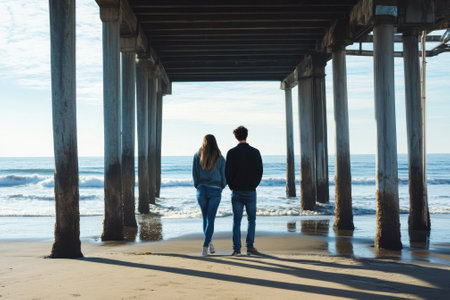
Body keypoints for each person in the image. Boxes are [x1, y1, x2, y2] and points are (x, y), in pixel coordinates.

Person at [225, 126, 263, 256]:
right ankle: (250, 247)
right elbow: (260, 172)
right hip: (251, 191)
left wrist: (231, 186)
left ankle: (236, 249)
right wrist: (254, 185)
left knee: (237, 221)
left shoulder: (231, 152)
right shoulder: (255, 152)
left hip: (237, 191)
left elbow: (227, 173)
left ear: (235, 137)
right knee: (251, 220)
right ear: (246, 135)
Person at [192, 134, 227, 256]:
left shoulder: (197, 155)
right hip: (215, 191)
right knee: (210, 219)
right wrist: (221, 187)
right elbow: (224, 176)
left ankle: (209, 243)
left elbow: (194, 174)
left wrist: (198, 186)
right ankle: (205, 247)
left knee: (205, 219)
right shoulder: (220, 157)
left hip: (201, 191)